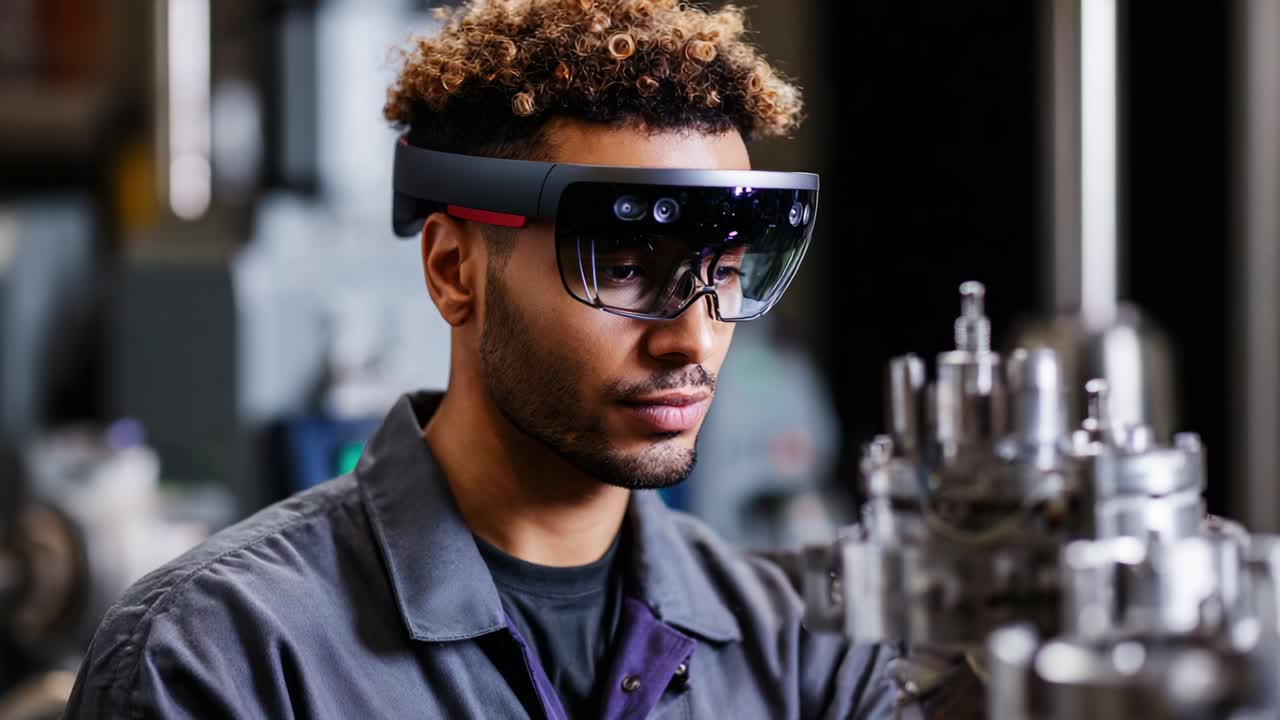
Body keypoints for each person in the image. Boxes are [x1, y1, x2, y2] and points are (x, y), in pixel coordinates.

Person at [65, 1, 915, 717]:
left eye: (724, 276)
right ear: (452, 270)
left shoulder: (804, 658)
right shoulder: (230, 655)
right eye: (623, 269)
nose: (692, 338)